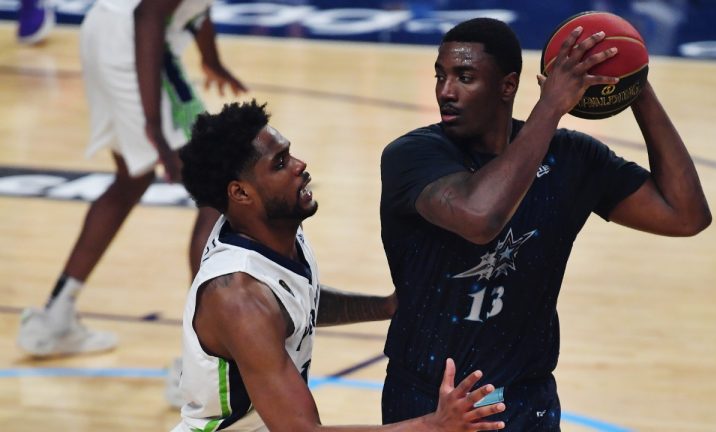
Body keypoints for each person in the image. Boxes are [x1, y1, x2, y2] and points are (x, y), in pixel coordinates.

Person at [379, 17, 711, 430]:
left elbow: (685, 215)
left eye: (465, 77)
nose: (446, 91)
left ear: (507, 86)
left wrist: (634, 84)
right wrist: (550, 106)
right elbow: (480, 217)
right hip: (429, 402)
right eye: (440, 76)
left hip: (524, 400)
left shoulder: (571, 157)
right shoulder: (413, 155)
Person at [172, 99, 506, 431]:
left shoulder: (273, 233)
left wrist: (388, 306)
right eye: (280, 163)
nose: (300, 165)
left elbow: (296, 305)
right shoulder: (239, 297)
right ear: (241, 193)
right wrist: (435, 426)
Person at [17, 0, 245, 362]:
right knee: (218, 192)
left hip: (107, 29)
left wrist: (210, 57)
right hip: (133, 34)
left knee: (131, 180)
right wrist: (153, 125)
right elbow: (149, 13)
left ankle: (54, 318)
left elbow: (197, 7)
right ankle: (199, 361)